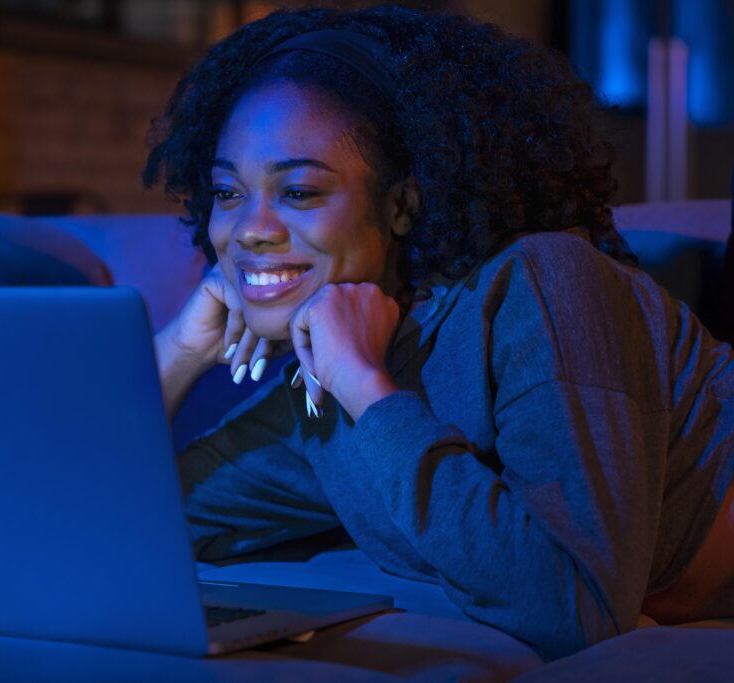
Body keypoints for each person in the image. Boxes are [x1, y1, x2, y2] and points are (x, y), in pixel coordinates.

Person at [142, 4, 734, 661]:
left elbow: (578, 610)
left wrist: (370, 391)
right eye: (228, 194)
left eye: (300, 192)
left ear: (402, 205)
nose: (249, 229)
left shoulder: (545, 285)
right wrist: (177, 353)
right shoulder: (321, 389)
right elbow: (129, 521)